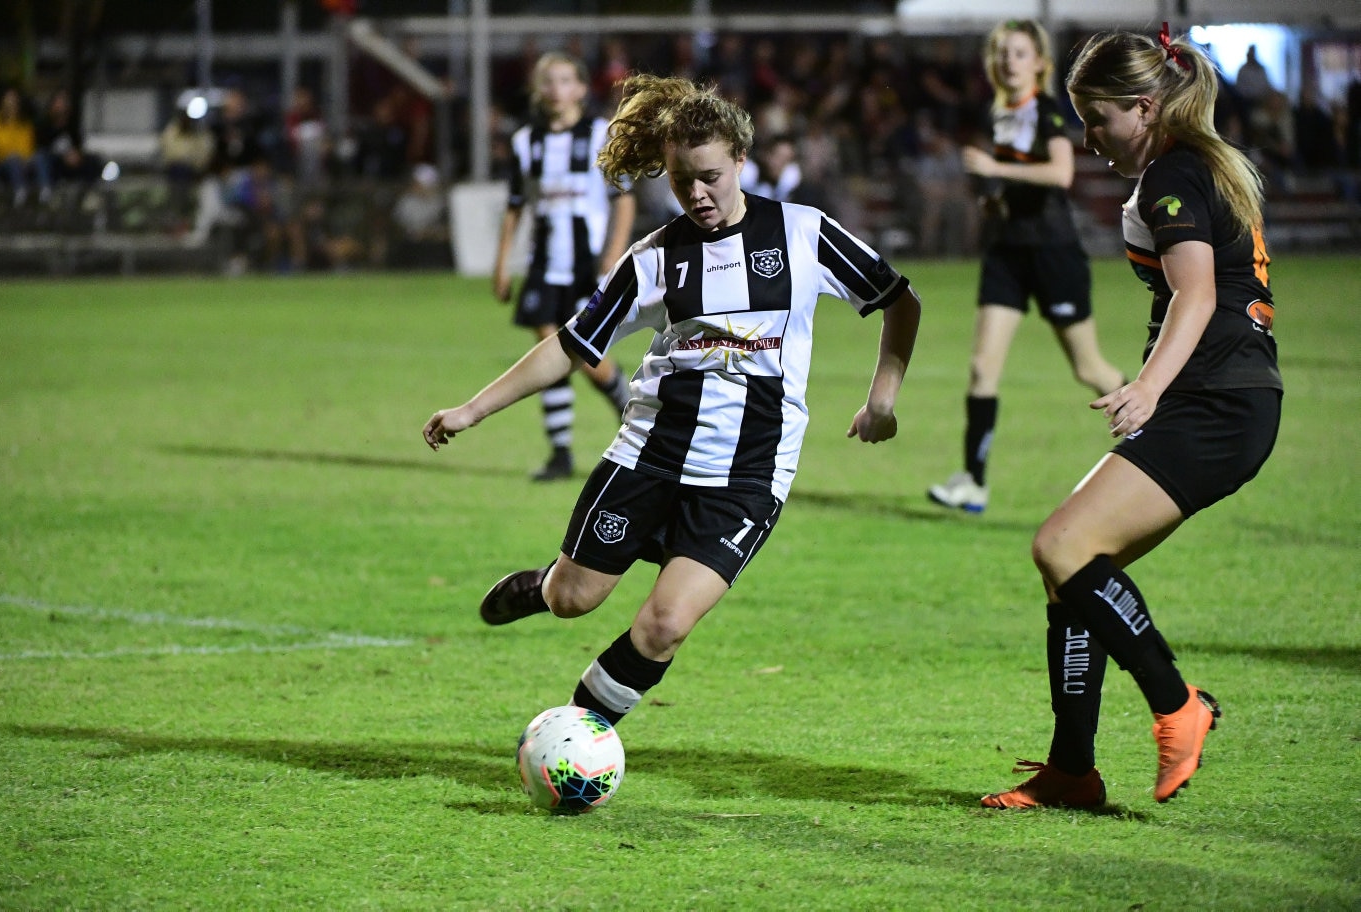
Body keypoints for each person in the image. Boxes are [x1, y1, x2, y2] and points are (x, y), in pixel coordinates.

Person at [423, 74, 922, 737]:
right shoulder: (654, 259)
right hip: (647, 457)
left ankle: (574, 741)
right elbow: (571, 345)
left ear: (743, 161)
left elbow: (898, 299)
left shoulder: (803, 233)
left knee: (663, 625)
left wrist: (882, 398)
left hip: (746, 477)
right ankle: (541, 586)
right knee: (575, 599)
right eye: (681, 179)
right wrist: (472, 410)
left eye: (711, 176)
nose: (697, 193)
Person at [981, 24, 1281, 809]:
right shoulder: (1191, 166)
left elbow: (1197, 293)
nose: (1089, 137)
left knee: (1063, 546)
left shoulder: (1172, 177)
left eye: (1099, 117)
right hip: (1226, 399)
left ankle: (1177, 706)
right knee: (1071, 571)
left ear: (1145, 108)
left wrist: (1146, 388)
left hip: (1215, 403)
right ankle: (1072, 771)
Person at [927, 20, 1126, 514]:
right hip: (1006, 252)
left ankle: (1156, 426)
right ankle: (973, 483)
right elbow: (1010, 184)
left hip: (1052, 251)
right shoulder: (997, 115)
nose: (1008, 61)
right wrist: (993, 201)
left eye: (1018, 53)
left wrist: (996, 170)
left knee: (1088, 368)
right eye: (1001, 54)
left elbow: (1061, 173)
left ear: (1039, 61)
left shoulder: (1048, 110)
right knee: (980, 369)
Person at [492, 52, 637, 482]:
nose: (556, 88)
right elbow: (515, 207)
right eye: (547, 81)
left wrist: (613, 254)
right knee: (545, 351)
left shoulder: (599, 136)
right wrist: (502, 265)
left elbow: (623, 199)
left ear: (579, 88)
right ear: (539, 91)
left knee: (589, 362)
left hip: (585, 264)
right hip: (543, 264)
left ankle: (629, 411)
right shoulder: (524, 142)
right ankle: (560, 453)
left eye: (565, 80)